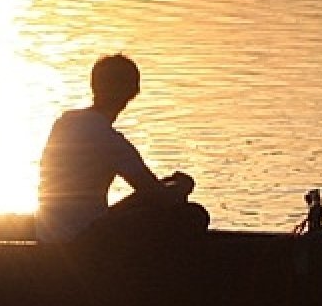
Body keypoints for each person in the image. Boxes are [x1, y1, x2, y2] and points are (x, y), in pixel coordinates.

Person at [35, 54, 204, 244]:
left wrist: (166, 185)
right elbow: (157, 196)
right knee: (193, 214)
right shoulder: (110, 140)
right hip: (83, 239)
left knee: (153, 194)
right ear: (131, 92)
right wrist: (182, 186)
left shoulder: (65, 121)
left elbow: (147, 191)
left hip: (49, 232)